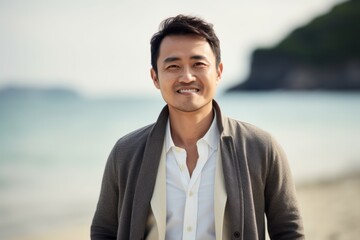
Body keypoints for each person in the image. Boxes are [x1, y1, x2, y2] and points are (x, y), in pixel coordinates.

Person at [91, 15, 304, 240]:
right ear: (155, 77)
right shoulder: (126, 152)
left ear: (219, 72)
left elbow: (288, 230)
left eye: (198, 64)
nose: (187, 77)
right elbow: (104, 230)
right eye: (173, 66)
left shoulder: (260, 147)